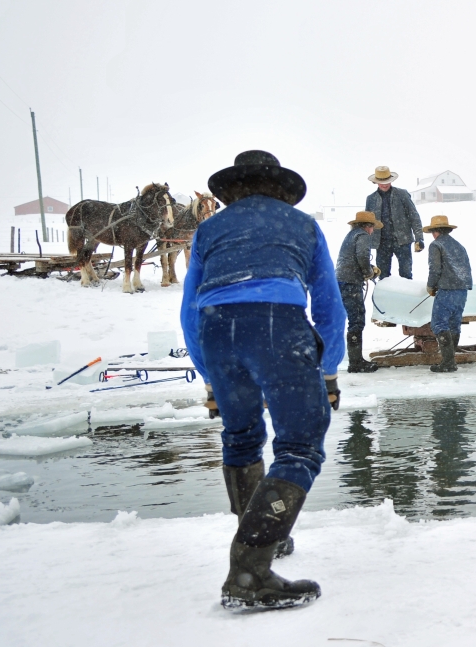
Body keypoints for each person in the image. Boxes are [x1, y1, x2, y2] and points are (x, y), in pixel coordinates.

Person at [181, 150, 346, 609]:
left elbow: (188, 308)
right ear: (280, 188)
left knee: (241, 436)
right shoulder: (303, 225)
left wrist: (209, 373)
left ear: (232, 189)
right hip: (277, 323)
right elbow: (329, 305)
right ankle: (249, 573)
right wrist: (328, 369)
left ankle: (259, 529)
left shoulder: (208, 229)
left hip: (216, 328)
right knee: (300, 443)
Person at [423, 215, 473, 373]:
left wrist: (431, 286)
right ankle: (450, 360)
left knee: (439, 324)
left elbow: (435, 269)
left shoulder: (436, 245)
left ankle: (448, 362)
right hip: (462, 290)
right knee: (454, 324)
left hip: (447, 290)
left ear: (434, 231)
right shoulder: (458, 245)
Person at [335, 210, 382, 373]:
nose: (373, 231)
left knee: (349, 319)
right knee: (357, 320)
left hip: (342, 281)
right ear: (367, 226)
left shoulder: (351, 236)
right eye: (372, 227)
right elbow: (362, 256)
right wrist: (369, 272)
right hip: (351, 283)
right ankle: (355, 363)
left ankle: (353, 359)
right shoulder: (362, 236)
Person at [365, 165, 424, 279]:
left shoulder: (402, 194)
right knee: (383, 276)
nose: (385, 184)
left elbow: (414, 216)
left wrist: (419, 238)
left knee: (406, 274)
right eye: (382, 182)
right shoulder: (371, 199)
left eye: (387, 181)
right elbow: (367, 223)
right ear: (376, 182)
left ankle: (406, 296)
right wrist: (364, 243)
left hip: (403, 241)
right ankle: (385, 297)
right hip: (381, 243)